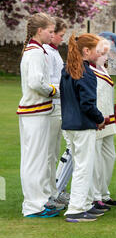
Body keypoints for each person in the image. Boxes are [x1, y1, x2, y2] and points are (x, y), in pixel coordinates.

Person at [17, 12, 59, 218]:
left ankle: (40, 201)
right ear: (39, 31)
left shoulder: (37, 50)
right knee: (34, 160)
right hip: (34, 111)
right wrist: (56, 90)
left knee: (39, 159)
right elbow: (36, 83)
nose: (52, 35)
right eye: (50, 31)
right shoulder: (34, 52)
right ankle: (33, 205)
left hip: (38, 111)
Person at [60, 33, 106, 223]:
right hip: (82, 125)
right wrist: (100, 118)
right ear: (86, 51)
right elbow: (87, 104)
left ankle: (84, 204)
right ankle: (76, 209)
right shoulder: (86, 72)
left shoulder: (67, 70)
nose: (100, 53)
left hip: (69, 124)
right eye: (97, 50)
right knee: (83, 167)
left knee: (82, 165)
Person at [90, 36, 116, 211]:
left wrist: (113, 111)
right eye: (104, 53)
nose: (107, 56)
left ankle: (103, 193)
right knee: (95, 159)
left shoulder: (103, 69)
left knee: (109, 156)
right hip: (97, 119)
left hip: (108, 119)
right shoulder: (89, 69)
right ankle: (95, 197)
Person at [43, 17, 68, 209]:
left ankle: (54, 191)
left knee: (55, 150)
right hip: (53, 104)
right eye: (60, 35)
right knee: (50, 153)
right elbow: (50, 80)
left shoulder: (54, 52)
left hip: (60, 104)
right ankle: (49, 193)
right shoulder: (48, 53)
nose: (61, 39)